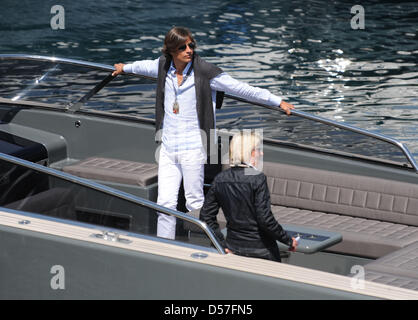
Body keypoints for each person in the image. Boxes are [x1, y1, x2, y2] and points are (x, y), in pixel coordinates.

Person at [112, 26, 294, 240]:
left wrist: (277, 101)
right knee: (165, 205)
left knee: (195, 203)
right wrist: (125, 67)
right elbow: (144, 66)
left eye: (191, 45)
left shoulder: (206, 72)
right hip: (168, 148)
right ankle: (164, 248)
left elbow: (243, 88)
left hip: (193, 148)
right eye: (183, 47)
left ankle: (200, 249)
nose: (189, 50)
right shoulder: (163, 66)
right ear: (171, 50)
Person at [199, 131, 297, 262]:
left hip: (232, 247)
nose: (261, 153)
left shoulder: (220, 178)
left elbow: (205, 216)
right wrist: (288, 240)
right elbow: (265, 219)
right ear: (250, 152)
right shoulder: (257, 178)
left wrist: (221, 243)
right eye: (258, 150)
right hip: (261, 250)